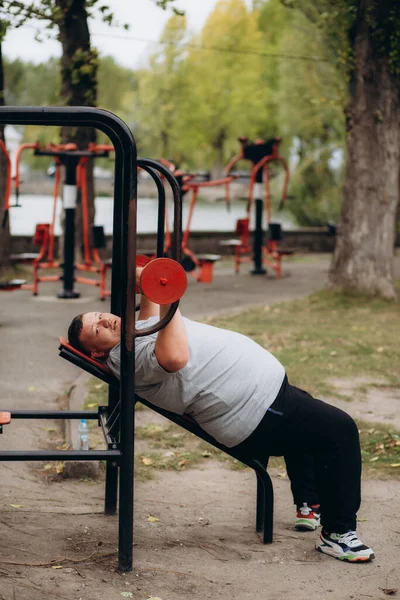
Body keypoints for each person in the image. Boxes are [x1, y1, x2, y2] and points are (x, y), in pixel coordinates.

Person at [67, 267, 375, 564]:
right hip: (254, 411)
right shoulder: (125, 358)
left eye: (100, 315)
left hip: (263, 398)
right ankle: (337, 534)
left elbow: (150, 310)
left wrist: (149, 280)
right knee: (340, 430)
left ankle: (309, 504)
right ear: (97, 352)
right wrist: (170, 296)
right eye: (98, 329)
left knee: (310, 420)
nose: (106, 320)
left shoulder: (133, 337)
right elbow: (174, 357)